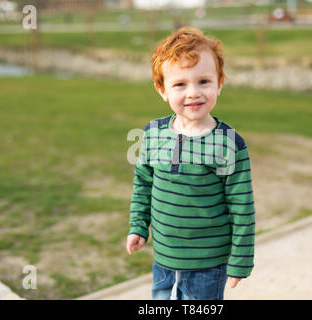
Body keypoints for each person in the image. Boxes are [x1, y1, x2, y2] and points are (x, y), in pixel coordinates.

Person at [126, 26, 256, 300]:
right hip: (163, 257)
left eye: (204, 82)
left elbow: (242, 208)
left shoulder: (230, 143)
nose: (193, 92)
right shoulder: (152, 134)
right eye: (180, 84)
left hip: (208, 264)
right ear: (162, 89)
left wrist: (240, 261)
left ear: (219, 82)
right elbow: (143, 185)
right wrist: (138, 226)